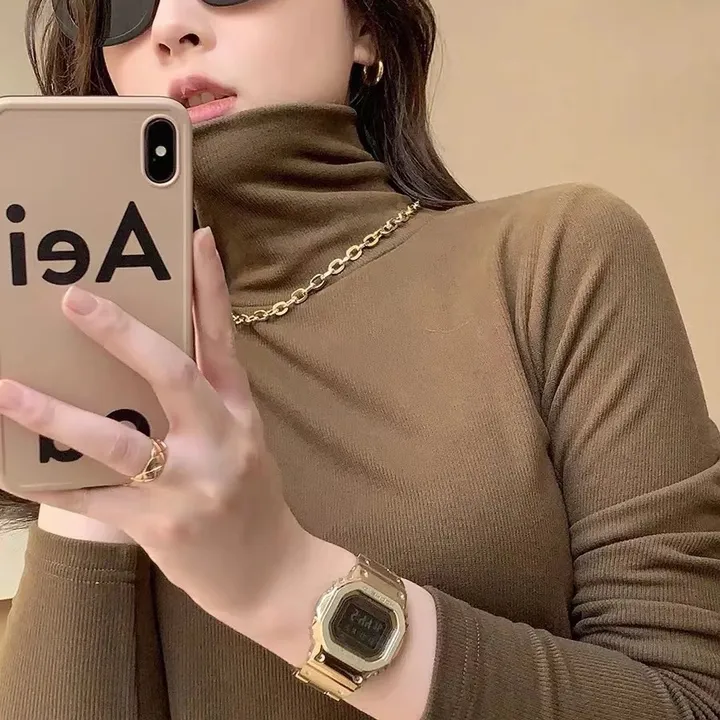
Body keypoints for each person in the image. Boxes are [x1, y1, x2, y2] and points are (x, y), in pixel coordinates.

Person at [1, 0, 719, 718]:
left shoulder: (553, 259)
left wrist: (284, 585)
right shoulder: (134, 357)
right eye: (121, 5)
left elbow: (689, 701)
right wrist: (84, 392)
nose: (170, 27)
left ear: (367, 28)